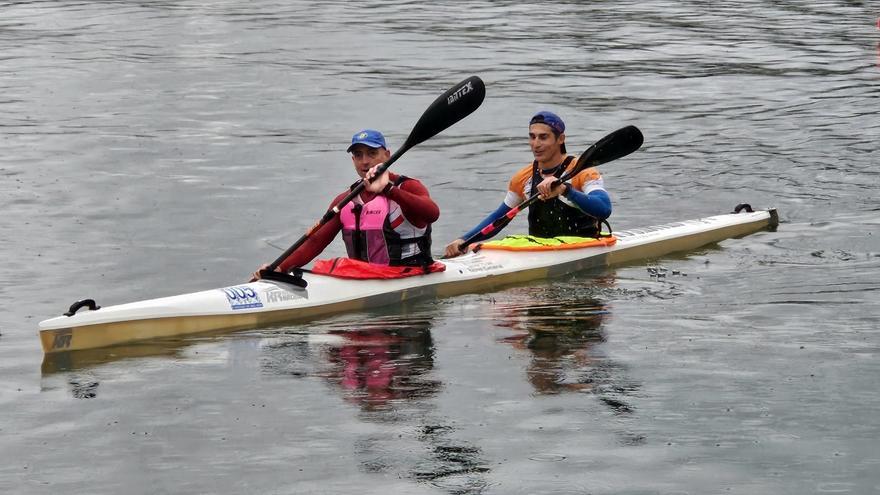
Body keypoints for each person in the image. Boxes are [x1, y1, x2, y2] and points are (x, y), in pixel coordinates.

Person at [253, 129, 439, 279]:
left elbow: (432, 213)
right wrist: (280, 267)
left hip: (410, 275)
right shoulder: (346, 200)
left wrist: (389, 190)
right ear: (353, 160)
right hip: (362, 278)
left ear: (387, 155)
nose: (365, 161)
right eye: (358, 155)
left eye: (372, 153)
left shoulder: (407, 187)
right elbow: (316, 241)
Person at [444, 111, 611, 257]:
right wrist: (464, 240)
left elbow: (604, 208)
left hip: (583, 247)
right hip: (539, 251)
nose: (536, 144)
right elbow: (498, 219)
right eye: (532, 137)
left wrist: (565, 190)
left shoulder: (583, 171)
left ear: (561, 139)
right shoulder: (523, 178)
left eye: (543, 137)